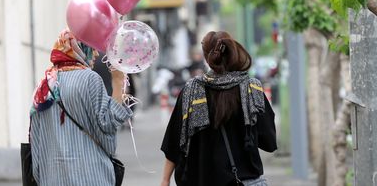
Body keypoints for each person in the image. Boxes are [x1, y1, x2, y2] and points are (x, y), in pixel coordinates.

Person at [160, 31, 277, 186]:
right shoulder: (251, 88)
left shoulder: (192, 91)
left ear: (206, 56)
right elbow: (269, 142)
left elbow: (174, 143)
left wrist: (165, 180)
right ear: (232, 50)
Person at [30, 29, 133, 186]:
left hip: (51, 178)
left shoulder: (44, 85)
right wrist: (118, 83)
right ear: (78, 48)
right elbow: (108, 123)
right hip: (90, 176)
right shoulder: (89, 78)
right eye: (92, 47)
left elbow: (35, 140)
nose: (97, 54)